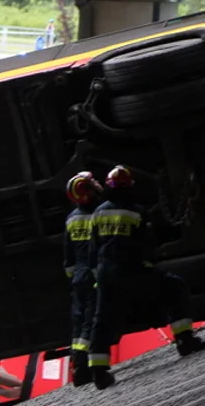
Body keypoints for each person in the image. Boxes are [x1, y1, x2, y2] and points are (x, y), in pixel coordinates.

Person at [86, 165, 203, 390]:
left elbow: (93, 248)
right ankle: (185, 341)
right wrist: (149, 268)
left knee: (102, 318)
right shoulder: (137, 212)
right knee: (174, 287)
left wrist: (98, 276)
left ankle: (98, 372)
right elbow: (145, 245)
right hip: (132, 270)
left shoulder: (99, 212)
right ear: (130, 187)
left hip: (106, 273)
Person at [63, 170, 104, 385]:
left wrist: (74, 277)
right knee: (91, 321)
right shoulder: (98, 214)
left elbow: (68, 257)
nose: (97, 186)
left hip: (79, 276)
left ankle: (78, 365)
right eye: (92, 185)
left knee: (79, 323)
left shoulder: (72, 218)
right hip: (93, 275)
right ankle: (85, 368)